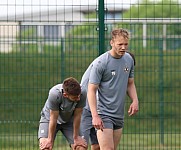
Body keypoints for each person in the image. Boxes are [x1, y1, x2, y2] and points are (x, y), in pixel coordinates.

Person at [80, 28, 139, 150]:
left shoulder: (129, 60)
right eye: (120, 44)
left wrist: (135, 100)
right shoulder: (101, 63)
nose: (123, 47)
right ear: (111, 43)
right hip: (103, 113)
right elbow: (91, 90)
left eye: (126, 44)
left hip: (118, 114)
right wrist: (95, 115)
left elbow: (130, 83)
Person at [38, 77, 87, 150]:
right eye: (75, 98)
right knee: (46, 147)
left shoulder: (82, 92)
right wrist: (49, 140)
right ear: (65, 95)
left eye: (79, 96)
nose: (78, 99)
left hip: (69, 120)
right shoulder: (54, 94)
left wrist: (76, 137)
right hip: (49, 119)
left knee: (80, 147)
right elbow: (53, 118)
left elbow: (78, 115)